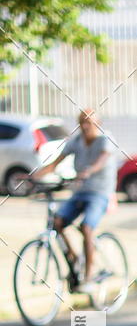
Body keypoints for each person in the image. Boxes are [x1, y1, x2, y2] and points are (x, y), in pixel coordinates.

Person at [32, 108, 117, 290]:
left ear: (98, 124)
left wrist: (90, 170)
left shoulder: (105, 140)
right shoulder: (76, 141)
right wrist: (32, 177)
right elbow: (55, 163)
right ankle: (75, 257)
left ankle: (89, 275)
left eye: (89, 123)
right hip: (80, 192)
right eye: (81, 122)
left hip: (100, 193)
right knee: (57, 222)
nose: (85, 126)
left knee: (87, 227)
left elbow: (102, 159)